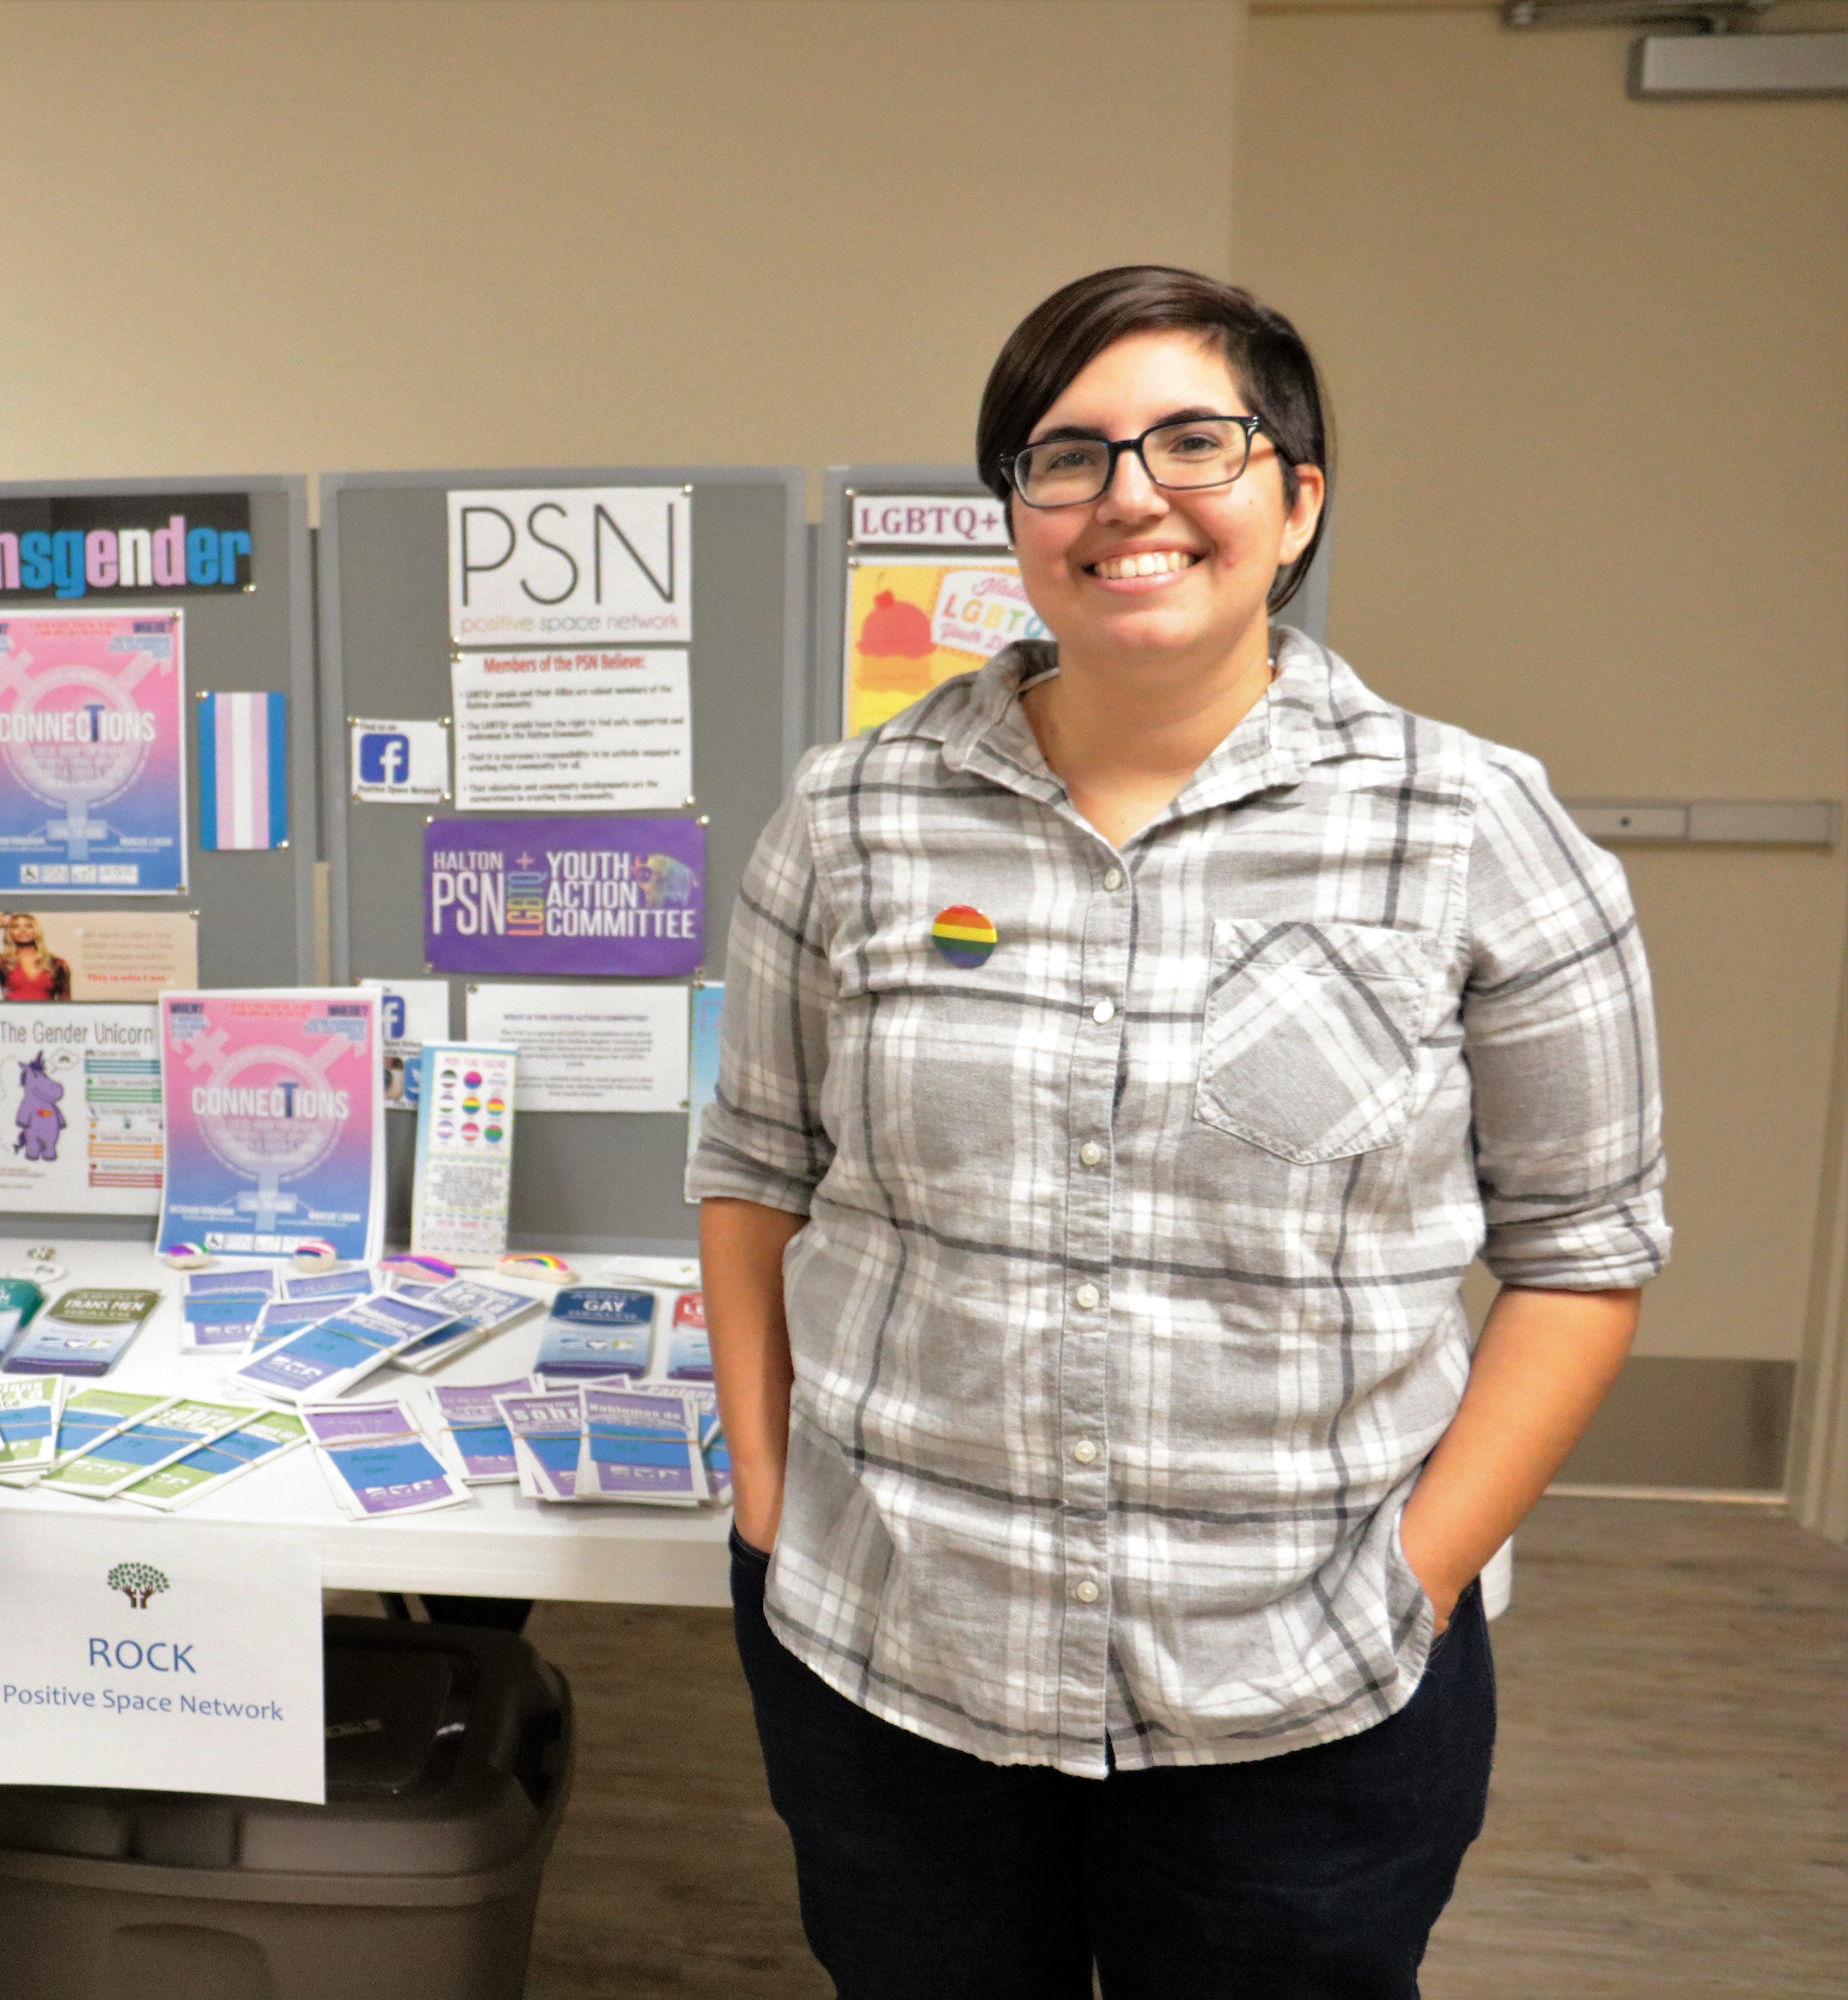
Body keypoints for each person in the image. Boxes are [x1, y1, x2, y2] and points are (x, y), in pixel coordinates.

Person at [689, 266, 1667, 1999]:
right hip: (896, 1646)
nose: (1129, 494)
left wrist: (1414, 1579)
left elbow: (1585, 1254)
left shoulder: (1470, 825)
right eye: (1066, 456)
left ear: (1296, 498)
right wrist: (770, 1497)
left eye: (1194, 441)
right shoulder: (854, 819)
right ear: (1016, 519)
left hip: (1304, 1692)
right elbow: (759, 1167)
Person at [0, 910, 72, 1000]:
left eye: (29, 926)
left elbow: (66, 1001)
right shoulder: (4, 962)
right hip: (13, 1017)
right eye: (16, 927)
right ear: (10, 933)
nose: (23, 930)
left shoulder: (57, 964)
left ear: (36, 931)